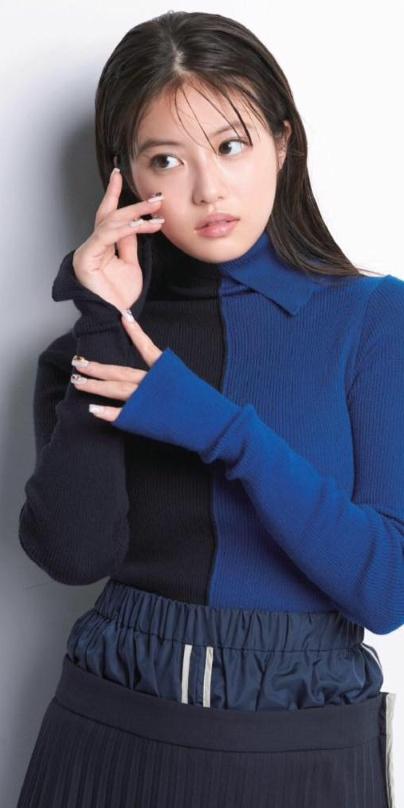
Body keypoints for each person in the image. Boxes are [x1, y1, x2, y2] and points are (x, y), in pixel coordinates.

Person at [16, 10, 399, 807]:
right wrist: (103, 317)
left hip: (300, 732)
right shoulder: (94, 345)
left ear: (283, 143)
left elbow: (386, 589)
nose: (208, 189)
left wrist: (220, 429)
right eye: (166, 159)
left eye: (230, 145)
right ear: (126, 177)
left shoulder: (370, 319)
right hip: (113, 718)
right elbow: (74, 555)